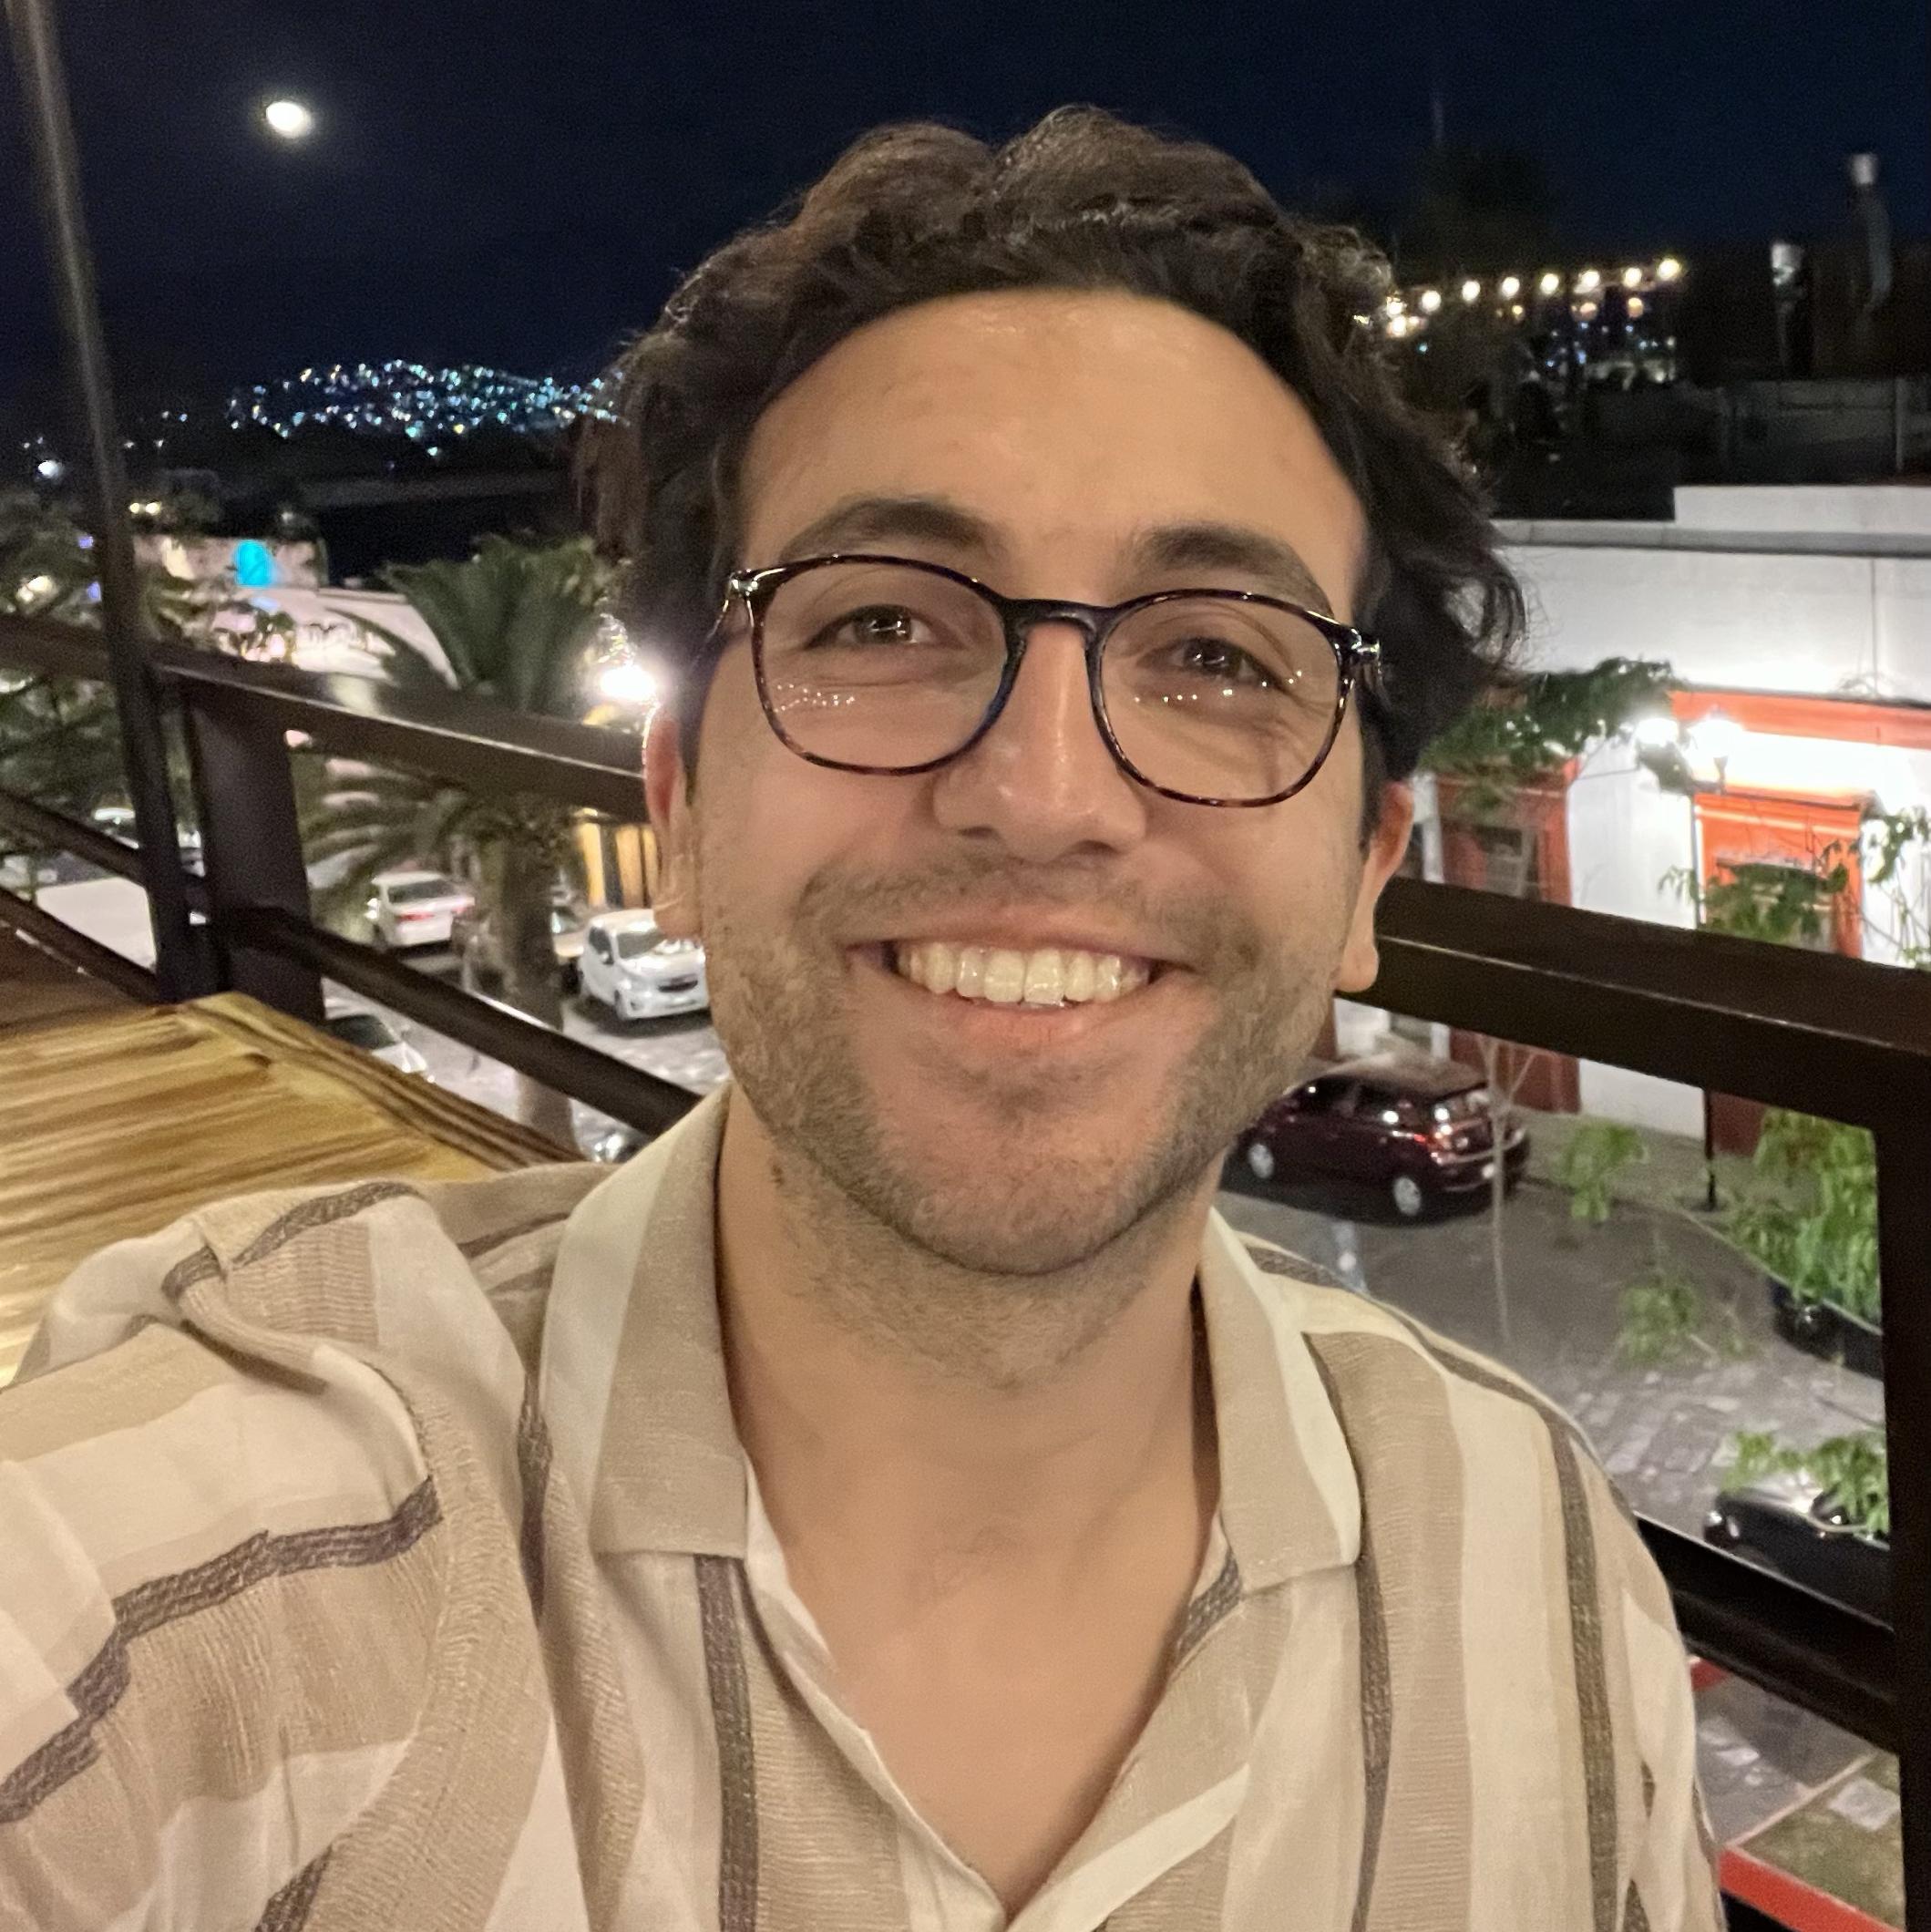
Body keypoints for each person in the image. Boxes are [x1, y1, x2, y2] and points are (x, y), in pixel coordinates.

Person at [0, 110, 1720, 1931]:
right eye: (883, 624)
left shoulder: (1535, 1571)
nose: (1043, 794)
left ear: (1369, 867)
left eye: (1216, 655)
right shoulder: (171, 1603)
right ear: (680, 805)